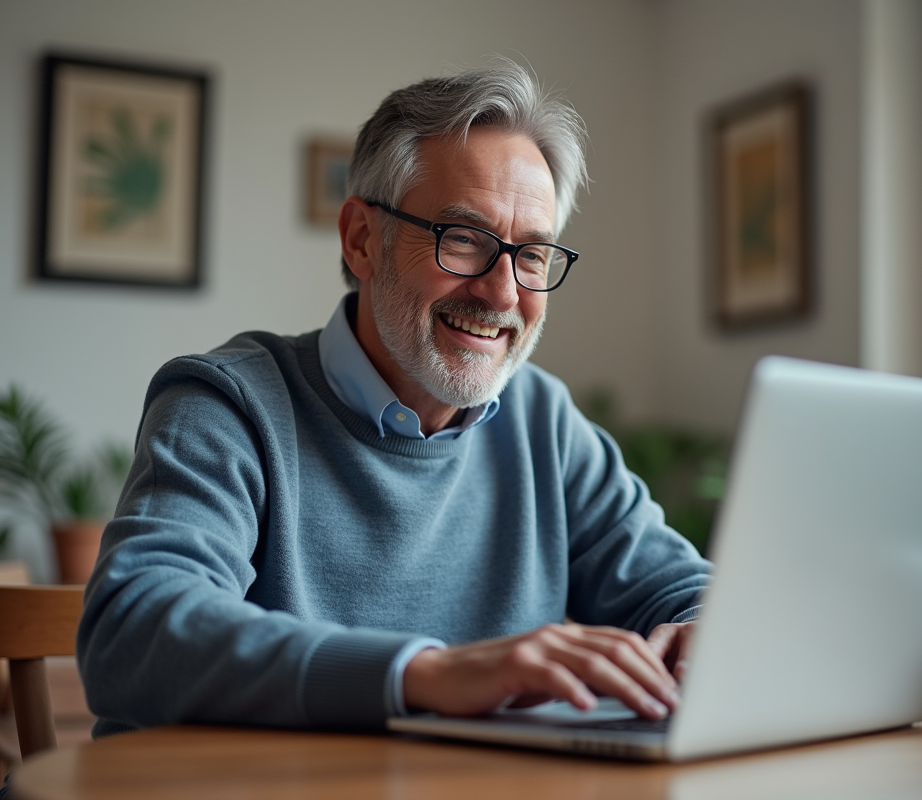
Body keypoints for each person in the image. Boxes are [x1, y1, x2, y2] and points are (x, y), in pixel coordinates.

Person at [76, 61, 711, 736]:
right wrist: (426, 676)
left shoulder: (543, 422)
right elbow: (133, 629)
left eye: (531, 255)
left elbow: (679, 588)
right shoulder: (229, 405)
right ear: (361, 240)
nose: (502, 294)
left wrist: (704, 631)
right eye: (463, 239)